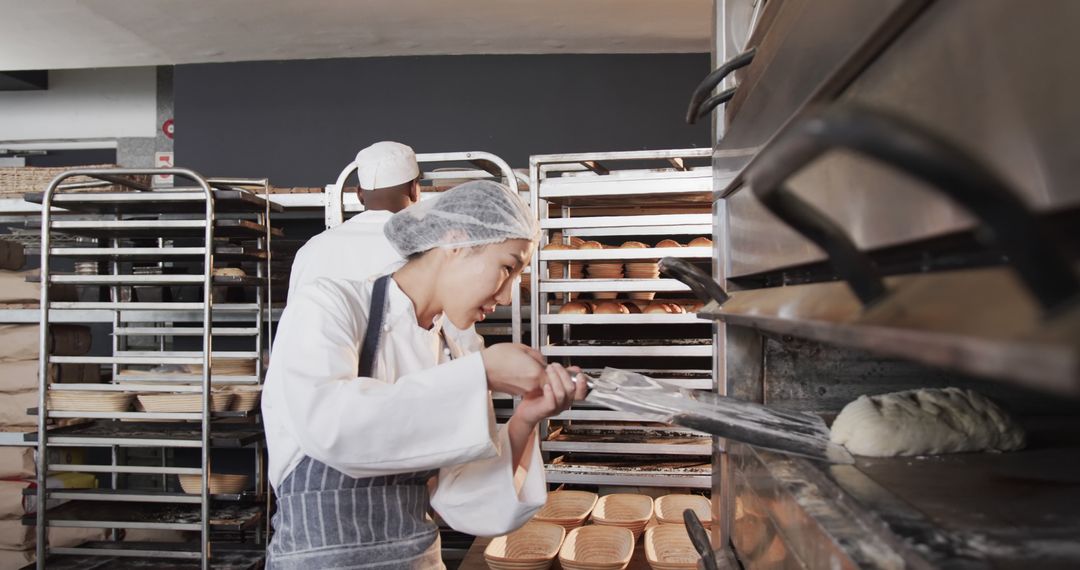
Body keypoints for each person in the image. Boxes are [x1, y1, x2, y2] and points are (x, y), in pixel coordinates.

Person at [262, 180, 587, 569]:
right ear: (455, 241)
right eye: (507, 267)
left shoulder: (457, 346)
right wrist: (480, 374)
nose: (505, 297)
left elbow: (463, 501)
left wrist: (525, 419)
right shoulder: (328, 306)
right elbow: (332, 427)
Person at [287, 140, 485, 354]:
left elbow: (294, 330)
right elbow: (460, 338)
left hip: (332, 372)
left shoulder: (311, 249)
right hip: (412, 379)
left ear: (359, 193)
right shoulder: (429, 249)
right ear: (414, 189)